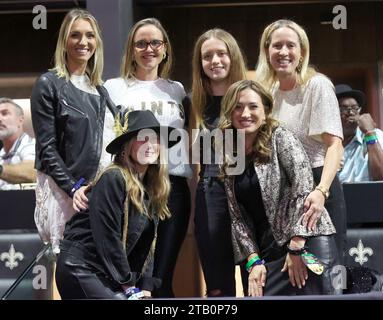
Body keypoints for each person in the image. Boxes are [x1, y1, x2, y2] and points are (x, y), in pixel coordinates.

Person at [219, 79, 340, 296]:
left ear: (265, 111)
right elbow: (237, 216)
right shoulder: (229, 151)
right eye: (237, 107)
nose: (245, 113)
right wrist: (253, 260)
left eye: (253, 106)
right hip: (266, 253)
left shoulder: (280, 136)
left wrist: (296, 245)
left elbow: (303, 188)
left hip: (306, 241)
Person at [103, 18, 191, 298]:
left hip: (173, 186)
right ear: (131, 49)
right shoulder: (114, 87)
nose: (148, 48)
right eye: (141, 43)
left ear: (165, 48)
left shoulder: (176, 89)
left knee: (162, 278)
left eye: (155, 42)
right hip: (132, 187)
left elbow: (187, 139)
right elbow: (107, 138)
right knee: (131, 274)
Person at [55, 110, 173, 299]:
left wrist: (146, 287)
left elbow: (148, 246)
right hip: (82, 268)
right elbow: (107, 237)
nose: (149, 145)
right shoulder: (114, 177)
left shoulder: (153, 188)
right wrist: (128, 285)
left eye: (155, 138)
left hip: (109, 273)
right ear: (126, 146)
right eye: (142, 138)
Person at [255, 19, 346, 262]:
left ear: (301, 52)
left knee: (324, 273)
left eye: (290, 46)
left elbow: (334, 145)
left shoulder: (317, 85)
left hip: (317, 187)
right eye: (277, 46)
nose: (283, 52)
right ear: (267, 51)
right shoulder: (267, 93)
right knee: (289, 279)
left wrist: (321, 191)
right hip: (283, 192)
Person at [31, 9, 117, 254]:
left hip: (98, 190)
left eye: (90, 35)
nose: (83, 42)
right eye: (75, 35)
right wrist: (72, 187)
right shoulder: (49, 84)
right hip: (67, 192)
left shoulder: (100, 90)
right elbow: (47, 149)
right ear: (64, 41)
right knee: (71, 263)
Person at [190, 28, 247, 297]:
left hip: (249, 190)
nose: (215, 61)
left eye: (221, 53)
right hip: (210, 192)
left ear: (232, 56)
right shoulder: (192, 103)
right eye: (207, 56)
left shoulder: (249, 98)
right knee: (217, 284)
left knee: (256, 276)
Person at [335, 84, 383, 183]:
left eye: (355, 108)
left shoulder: (375, 135)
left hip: (368, 196)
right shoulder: (323, 144)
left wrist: (369, 133)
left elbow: (381, 175)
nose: (351, 113)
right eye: (343, 108)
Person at [0, 98, 36, 190]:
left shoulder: (31, 145)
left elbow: (32, 172)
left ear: (20, 120)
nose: (0, 119)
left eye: (4, 113)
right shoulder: (1, 153)